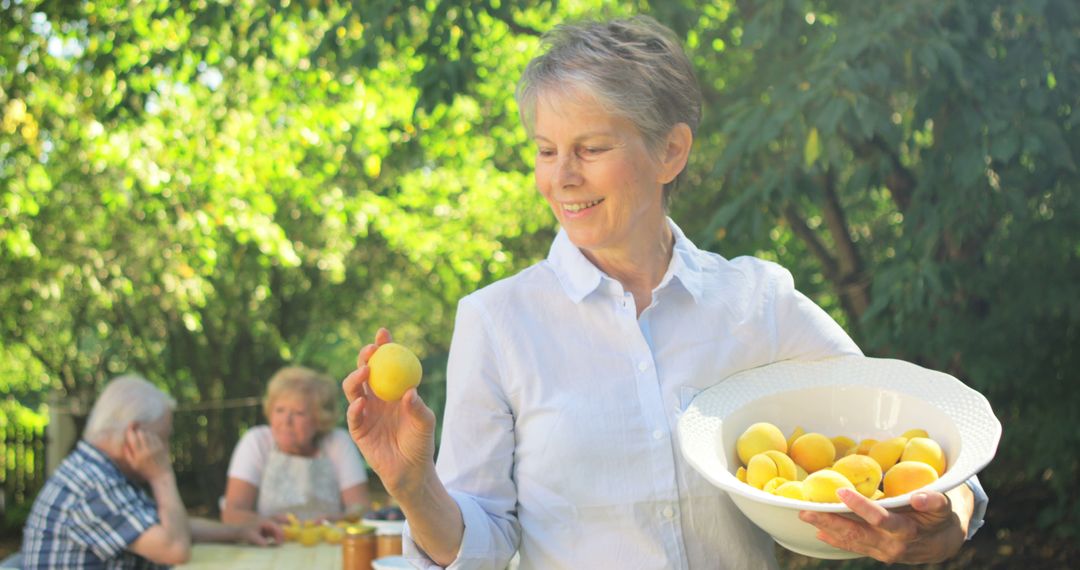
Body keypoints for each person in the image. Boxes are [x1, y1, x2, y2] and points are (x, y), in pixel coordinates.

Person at [341, 16, 988, 569]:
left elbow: (906, 432)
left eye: (590, 148)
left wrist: (946, 521)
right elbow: (482, 544)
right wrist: (413, 485)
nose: (561, 177)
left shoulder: (757, 301)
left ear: (671, 151)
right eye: (544, 151)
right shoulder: (497, 321)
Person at [21, 375, 283, 569]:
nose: (166, 449)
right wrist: (162, 476)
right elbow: (175, 549)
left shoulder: (100, 471)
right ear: (135, 434)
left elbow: (163, 527)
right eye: (164, 438)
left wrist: (239, 532)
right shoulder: (93, 484)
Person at [223, 366, 370, 524]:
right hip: (268, 544)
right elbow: (232, 514)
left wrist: (339, 519)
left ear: (319, 419)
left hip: (330, 544)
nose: (286, 421)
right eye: (279, 410)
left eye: (299, 413)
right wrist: (264, 522)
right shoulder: (256, 441)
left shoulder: (337, 442)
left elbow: (362, 509)